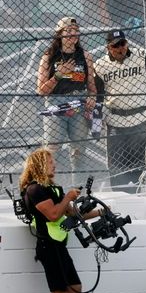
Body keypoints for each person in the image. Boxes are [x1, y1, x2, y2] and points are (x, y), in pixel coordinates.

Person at [21, 148, 101, 293]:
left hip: (59, 245)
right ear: (38, 165)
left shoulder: (52, 189)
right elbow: (54, 215)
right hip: (48, 246)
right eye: (49, 162)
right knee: (58, 291)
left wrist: (101, 211)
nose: (54, 165)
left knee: (75, 287)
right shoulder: (34, 190)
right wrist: (68, 196)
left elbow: (71, 212)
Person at [94, 30, 146, 193]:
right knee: (116, 162)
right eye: (116, 45)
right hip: (115, 119)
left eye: (123, 43)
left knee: (137, 161)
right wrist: (96, 123)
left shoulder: (141, 55)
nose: (121, 48)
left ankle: (135, 194)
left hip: (140, 117)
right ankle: (119, 196)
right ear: (108, 47)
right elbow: (98, 95)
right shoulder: (100, 65)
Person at [36, 17, 97, 187]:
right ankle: (45, 189)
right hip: (56, 103)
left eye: (75, 30)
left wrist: (92, 97)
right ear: (59, 34)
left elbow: (92, 87)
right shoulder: (49, 56)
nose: (73, 34)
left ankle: (78, 191)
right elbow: (41, 90)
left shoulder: (85, 56)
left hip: (78, 102)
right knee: (52, 149)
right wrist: (59, 74)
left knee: (78, 151)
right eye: (68, 31)